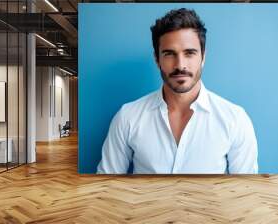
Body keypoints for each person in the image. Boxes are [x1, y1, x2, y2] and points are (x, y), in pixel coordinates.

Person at [97, 8, 258, 174]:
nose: (180, 65)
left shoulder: (235, 120)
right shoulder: (128, 117)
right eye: (169, 54)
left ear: (203, 57)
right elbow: (105, 184)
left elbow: (246, 191)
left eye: (189, 53)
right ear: (157, 59)